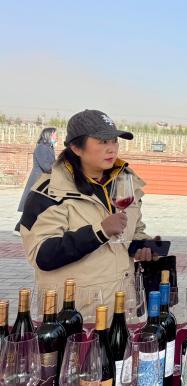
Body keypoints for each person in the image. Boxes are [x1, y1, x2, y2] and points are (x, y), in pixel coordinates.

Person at [20, 110, 156, 314]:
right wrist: (99, 232)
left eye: (114, 141)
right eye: (102, 142)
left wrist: (144, 246)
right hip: (73, 315)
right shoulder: (51, 191)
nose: (111, 148)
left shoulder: (124, 182)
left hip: (122, 309)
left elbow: (133, 231)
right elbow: (43, 255)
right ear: (76, 147)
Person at [15, 127, 57, 236]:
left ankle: (24, 228)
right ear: (48, 135)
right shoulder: (41, 148)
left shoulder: (49, 147)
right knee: (33, 205)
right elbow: (46, 166)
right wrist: (58, 165)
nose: (56, 136)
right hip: (38, 180)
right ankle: (19, 228)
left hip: (45, 180)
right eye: (54, 134)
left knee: (39, 206)